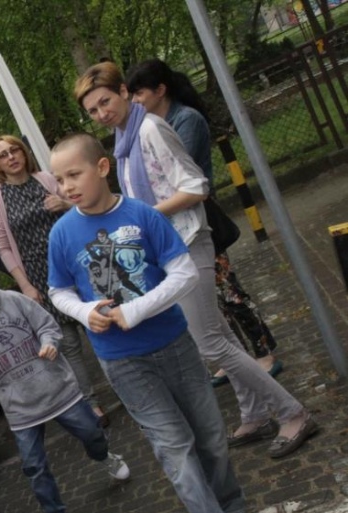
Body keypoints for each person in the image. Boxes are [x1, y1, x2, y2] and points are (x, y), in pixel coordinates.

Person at [74, 61, 316, 460]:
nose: (102, 113)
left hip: (189, 241)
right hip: (169, 248)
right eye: (92, 111)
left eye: (105, 102)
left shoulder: (149, 129)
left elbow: (196, 186)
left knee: (209, 342)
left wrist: (147, 217)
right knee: (218, 334)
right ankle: (255, 414)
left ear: (123, 92)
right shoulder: (124, 142)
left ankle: (293, 412)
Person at [46, 132, 247, 513]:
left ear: (102, 168)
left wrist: (135, 310)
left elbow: (184, 273)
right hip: (123, 363)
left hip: (175, 346)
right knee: (175, 449)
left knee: (210, 437)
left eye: (74, 174)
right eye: (59, 180)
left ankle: (230, 502)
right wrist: (84, 312)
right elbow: (58, 291)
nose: (66, 186)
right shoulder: (61, 234)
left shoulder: (142, 215)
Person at [0, 254, 131, 513]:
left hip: (57, 390)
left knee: (91, 432)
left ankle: (104, 457)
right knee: (33, 465)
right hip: (20, 408)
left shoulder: (15, 301)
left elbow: (48, 326)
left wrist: (49, 343)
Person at [124, 59, 281, 386]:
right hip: (173, 223)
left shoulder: (185, 120)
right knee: (210, 301)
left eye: (139, 93)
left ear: (160, 90)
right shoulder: (147, 126)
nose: (135, 100)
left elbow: (181, 173)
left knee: (228, 289)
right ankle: (232, 356)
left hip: (198, 218)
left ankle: (264, 351)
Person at [0, 135, 110, 427]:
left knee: (101, 328)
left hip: (73, 265)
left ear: (23, 152)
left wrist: (64, 204)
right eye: (3, 155)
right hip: (40, 277)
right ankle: (91, 403)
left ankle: (126, 386)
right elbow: (3, 246)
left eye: (14, 150)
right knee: (69, 344)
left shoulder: (46, 179)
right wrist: (25, 285)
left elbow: (82, 207)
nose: (11, 157)